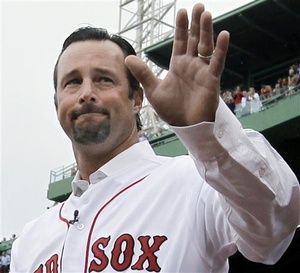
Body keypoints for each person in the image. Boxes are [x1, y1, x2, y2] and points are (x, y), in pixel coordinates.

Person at [10, 3, 300, 273]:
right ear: (57, 103)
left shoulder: (195, 182)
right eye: (72, 82)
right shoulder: (31, 241)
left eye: (104, 79)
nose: (86, 92)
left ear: (136, 99)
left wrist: (207, 128)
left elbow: (273, 227)